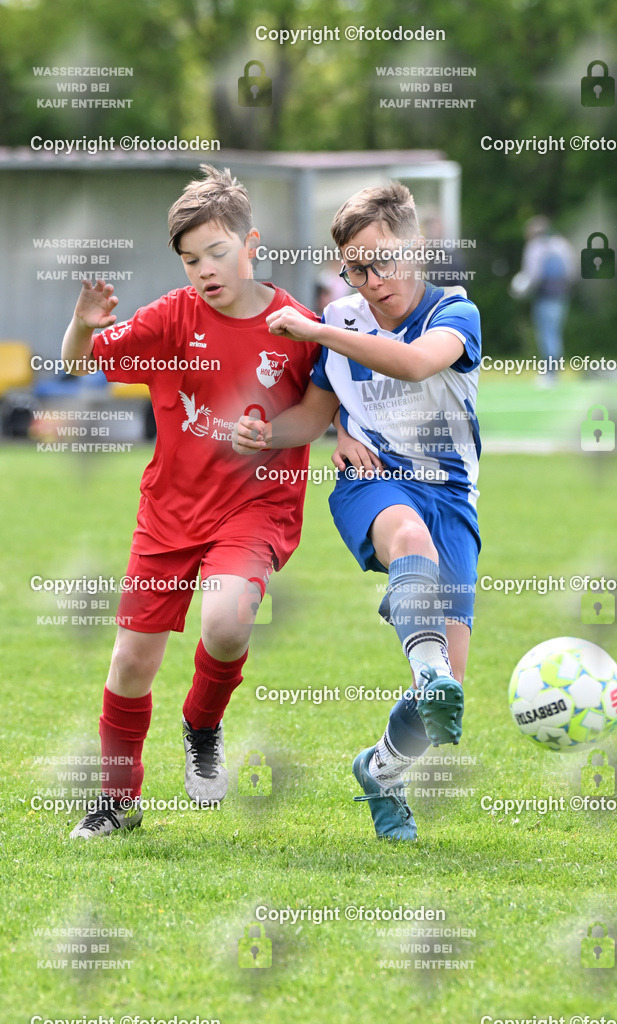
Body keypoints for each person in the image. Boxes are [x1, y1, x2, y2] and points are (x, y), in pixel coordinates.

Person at [63, 164, 327, 838]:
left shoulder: (298, 324)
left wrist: (282, 432)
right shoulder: (172, 317)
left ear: (251, 243)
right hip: (170, 514)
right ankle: (118, 804)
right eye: (189, 260)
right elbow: (75, 363)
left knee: (229, 619)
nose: (204, 269)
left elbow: (327, 405)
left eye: (216, 252)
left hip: (255, 508)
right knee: (130, 663)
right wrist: (81, 324)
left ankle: (201, 727)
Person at [233, 181, 482, 841]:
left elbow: (408, 364)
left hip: (450, 496)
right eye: (355, 268)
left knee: (440, 711)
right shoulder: (341, 319)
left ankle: (381, 770)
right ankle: (423, 660)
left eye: (381, 260)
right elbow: (314, 415)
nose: (371, 281)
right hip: (370, 480)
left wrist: (317, 328)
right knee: (405, 537)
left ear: (415, 246)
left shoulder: (455, 312)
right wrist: (261, 432)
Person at [511, 215, 577, 384]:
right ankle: (554, 372)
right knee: (555, 332)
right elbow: (572, 271)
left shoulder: (535, 247)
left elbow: (532, 275)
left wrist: (518, 291)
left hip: (544, 296)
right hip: (561, 295)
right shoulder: (561, 244)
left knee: (547, 334)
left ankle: (550, 374)